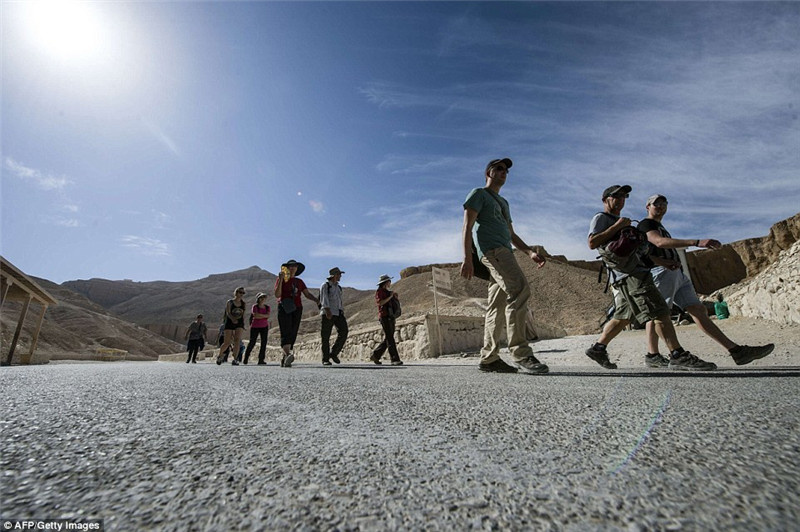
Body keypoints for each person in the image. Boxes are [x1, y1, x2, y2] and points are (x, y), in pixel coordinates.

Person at [586, 185, 717, 370]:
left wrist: (662, 262)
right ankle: (678, 355)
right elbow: (592, 242)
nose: (621, 199)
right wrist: (618, 226)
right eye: (616, 196)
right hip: (630, 275)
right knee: (659, 311)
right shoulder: (602, 218)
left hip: (633, 272)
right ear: (605, 199)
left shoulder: (622, 221)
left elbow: (639, 252)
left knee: (624, 316)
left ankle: (598, 349)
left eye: (624, 196)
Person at [638, 194, 773, 366]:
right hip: (661, 272)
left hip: (676, 273)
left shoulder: (659, 226)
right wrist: (697, 242)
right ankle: (657, 355)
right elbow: (659, 242)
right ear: (648, 207)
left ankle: (736, 351)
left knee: (697, 310)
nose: (661, 206)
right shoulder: (646, 224)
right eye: (656, 203)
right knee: (659, 313)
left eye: (664, 203)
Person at [459, 158, 548, 374]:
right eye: (499, 168)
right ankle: (521, 353)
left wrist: (529, 252)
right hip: (493, 252)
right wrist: (468, 259)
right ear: (488, 172)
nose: (503, 172)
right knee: (519, 290)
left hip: (505, 251)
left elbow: (511, 234)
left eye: (506, 170)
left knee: (496, 306)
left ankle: (489, 358)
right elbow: (467, 226)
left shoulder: (504, 203)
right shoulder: (478, 194)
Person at [274, 259, 320, 368]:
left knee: (293, 331)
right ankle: (288, 354)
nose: (292, 268)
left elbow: (307, 294)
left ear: (297, 268)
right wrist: (280, 280)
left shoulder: (299, 282)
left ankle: (285, 356)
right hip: (284, 307)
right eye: (290, 266)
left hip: (297, 308)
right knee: (285, 330)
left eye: (294, 266)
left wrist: (316, 300)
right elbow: (277, 294)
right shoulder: (281, 280)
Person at [370, 275, 403, 366]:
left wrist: (394, 297)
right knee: (390, 338)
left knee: (389, 338)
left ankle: (376, 355)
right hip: (384, 316)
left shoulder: (388, 292)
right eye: (389, 281)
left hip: (391, 316)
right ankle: (394, 359)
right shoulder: (379, 292)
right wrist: (390, 297)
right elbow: (380, 303)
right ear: (385, 282)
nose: (390, 283)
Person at [319, 267, 348, 365]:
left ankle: (334, 352)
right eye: (339, 274)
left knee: (344, 331)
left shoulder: (338, 287)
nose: (340, 276)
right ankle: (325, 359)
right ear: (334, 275)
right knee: (326, 336)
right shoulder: (325, 285)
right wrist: (327, 310)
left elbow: (339, 300)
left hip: (338, 313)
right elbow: (324, 298)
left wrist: (341, 310)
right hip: (328, 312)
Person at [217, 287, 246, 366]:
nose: (241, 294)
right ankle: (220, 355)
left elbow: (243, 314)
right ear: (236, 293)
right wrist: (233, 319)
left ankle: (235, 358)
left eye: (243, 293)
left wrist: (243, 324)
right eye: (240, 292)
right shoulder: (230, 302)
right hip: (230, 322)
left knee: (237, 340)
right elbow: (228, 312)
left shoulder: (243, 303)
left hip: (239, 322)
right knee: (227, 342)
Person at [242, 293, 270, 365]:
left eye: (264, 297)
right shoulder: (255, 306)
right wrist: (263, 316)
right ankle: (246, 358)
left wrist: (260, 315)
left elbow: (267, 316)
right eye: (261, 297)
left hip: (264, 326)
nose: (262, 299)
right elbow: (255, 315)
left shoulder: (267, 307)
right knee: (252, 342)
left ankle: (261, 359)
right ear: (258, 299)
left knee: (264, 343)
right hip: (255, 326)